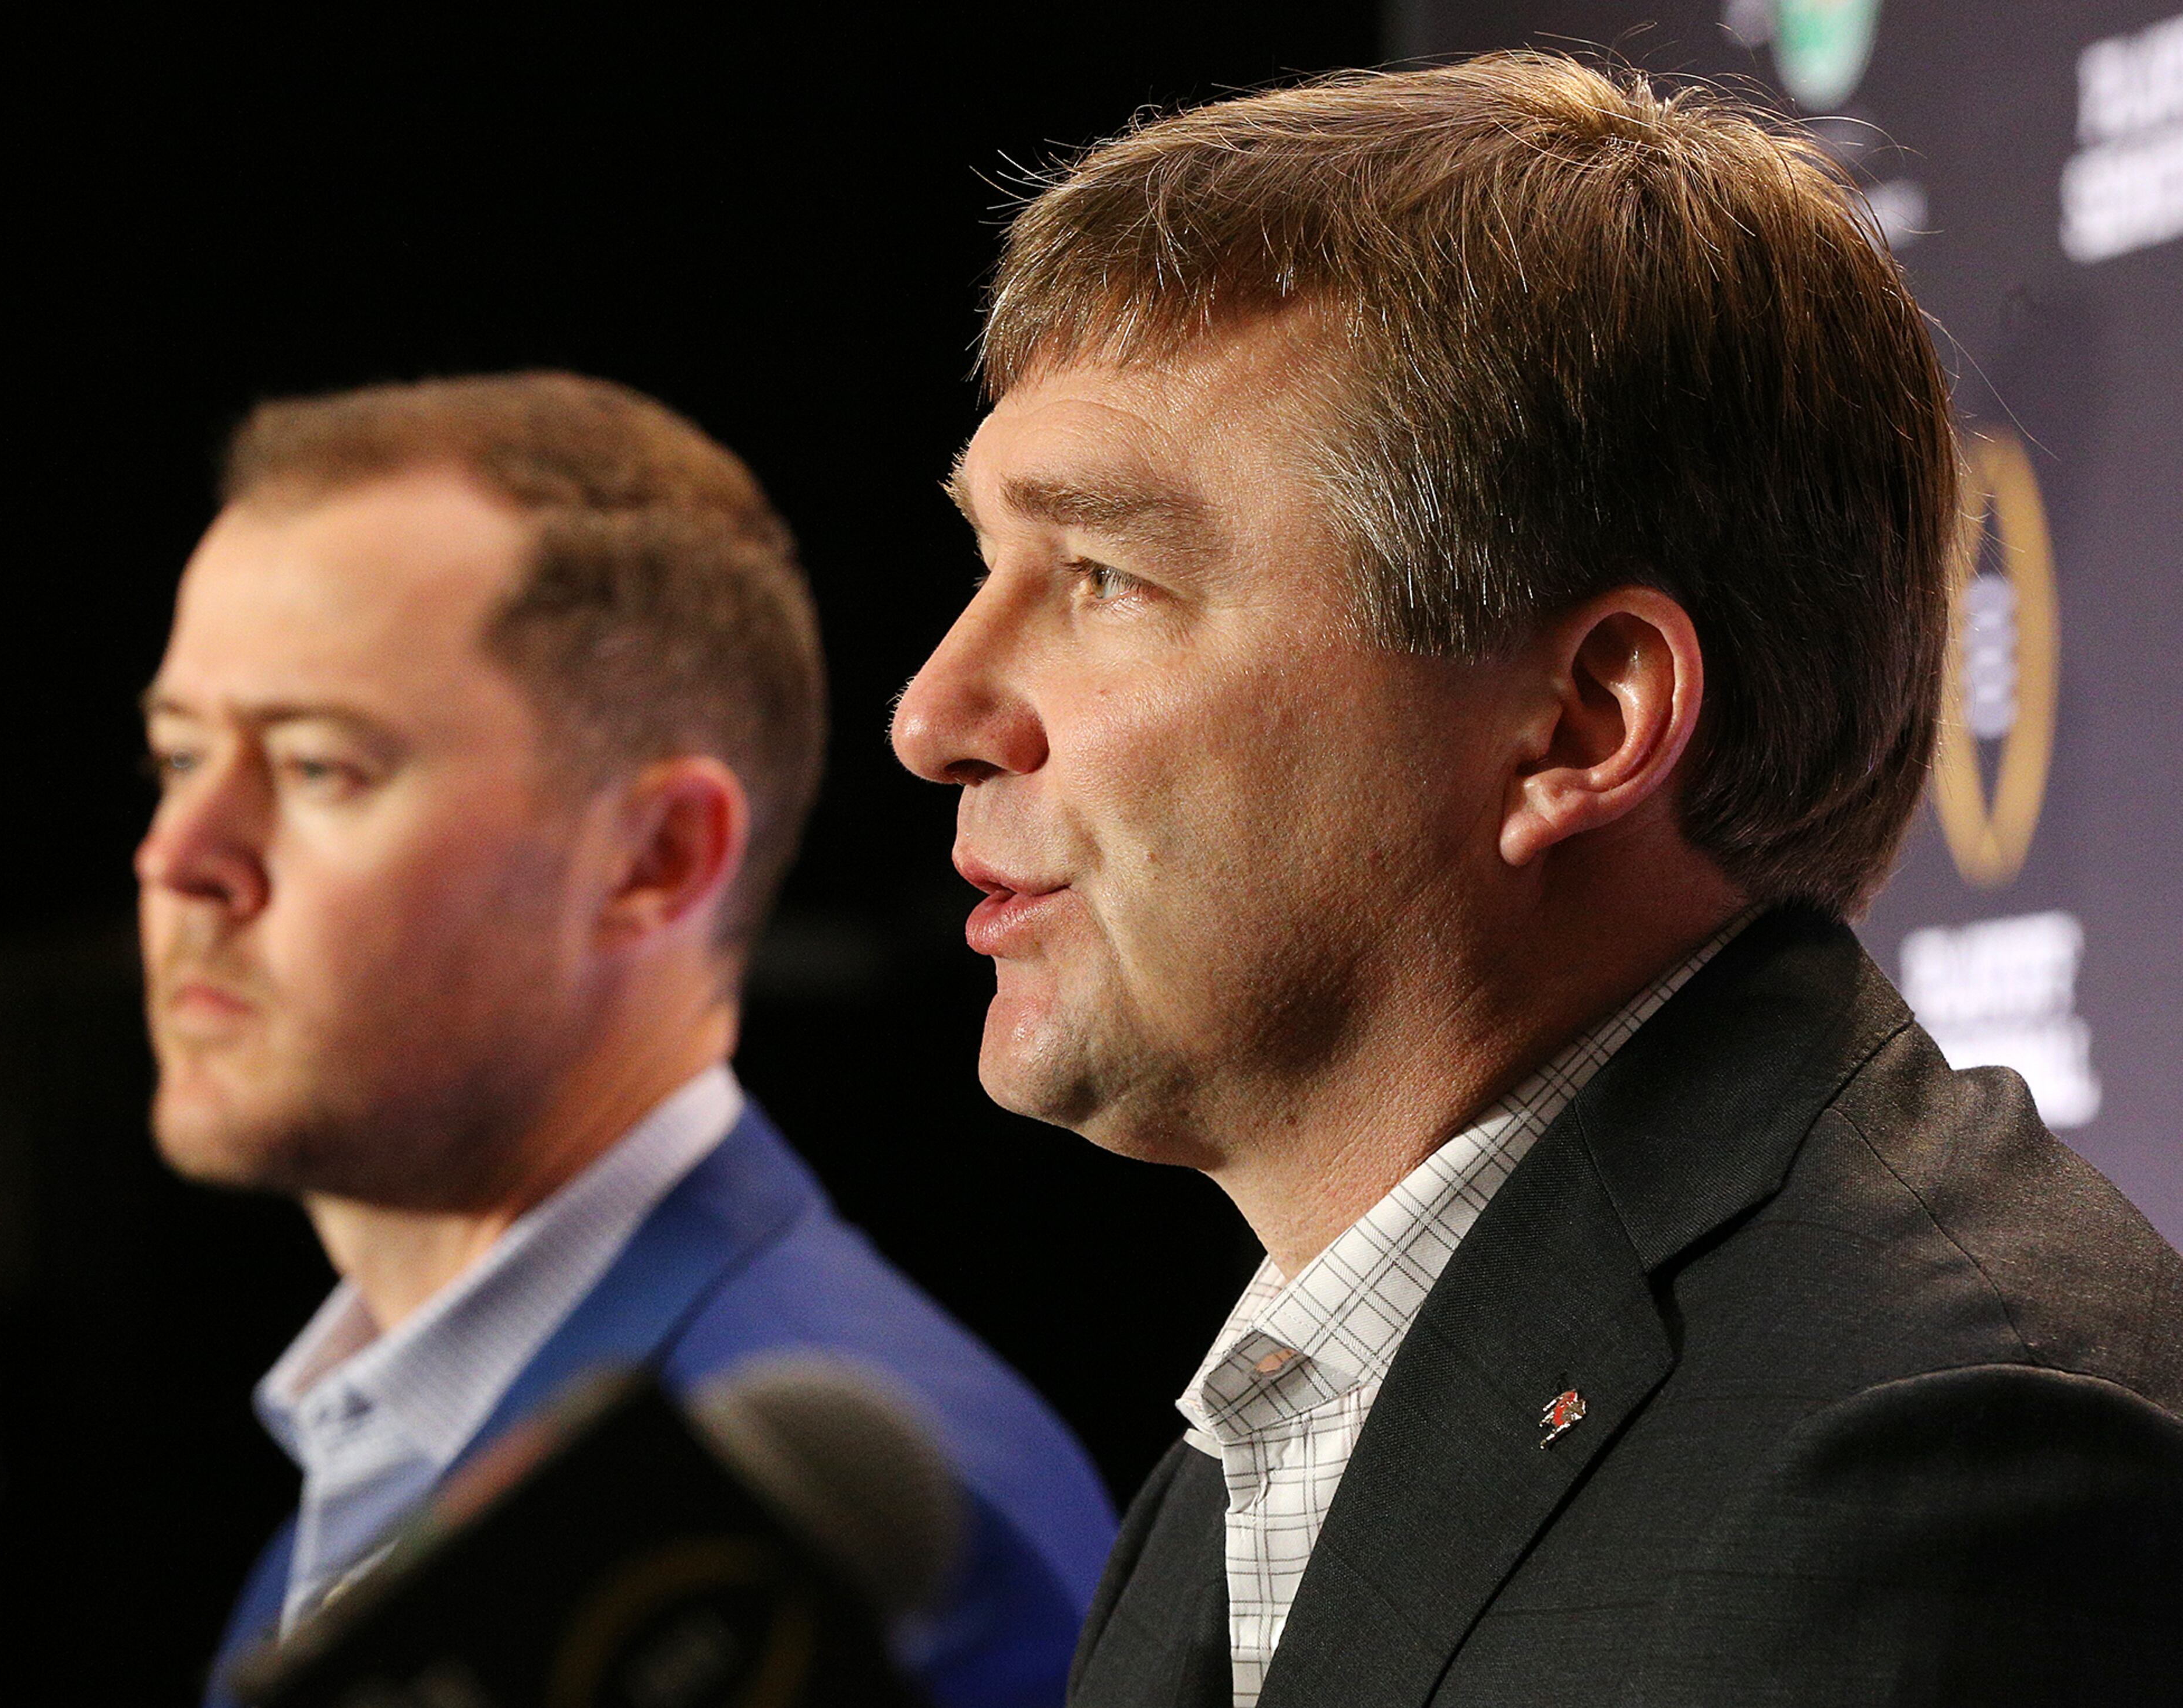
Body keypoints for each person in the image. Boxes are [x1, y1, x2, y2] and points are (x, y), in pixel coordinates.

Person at [889, 53, 2183, 1708]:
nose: (936, 714)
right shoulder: (1270, 1435)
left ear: (1582, 720)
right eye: (982, 564)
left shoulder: (1935, 1461)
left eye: (1105, 577)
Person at [139, 372, 1116, 1708]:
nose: (180, 857)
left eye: (320, 768)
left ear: (655, 858)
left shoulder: (870, 1526)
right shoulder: (369, 1454)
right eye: (182, 757)